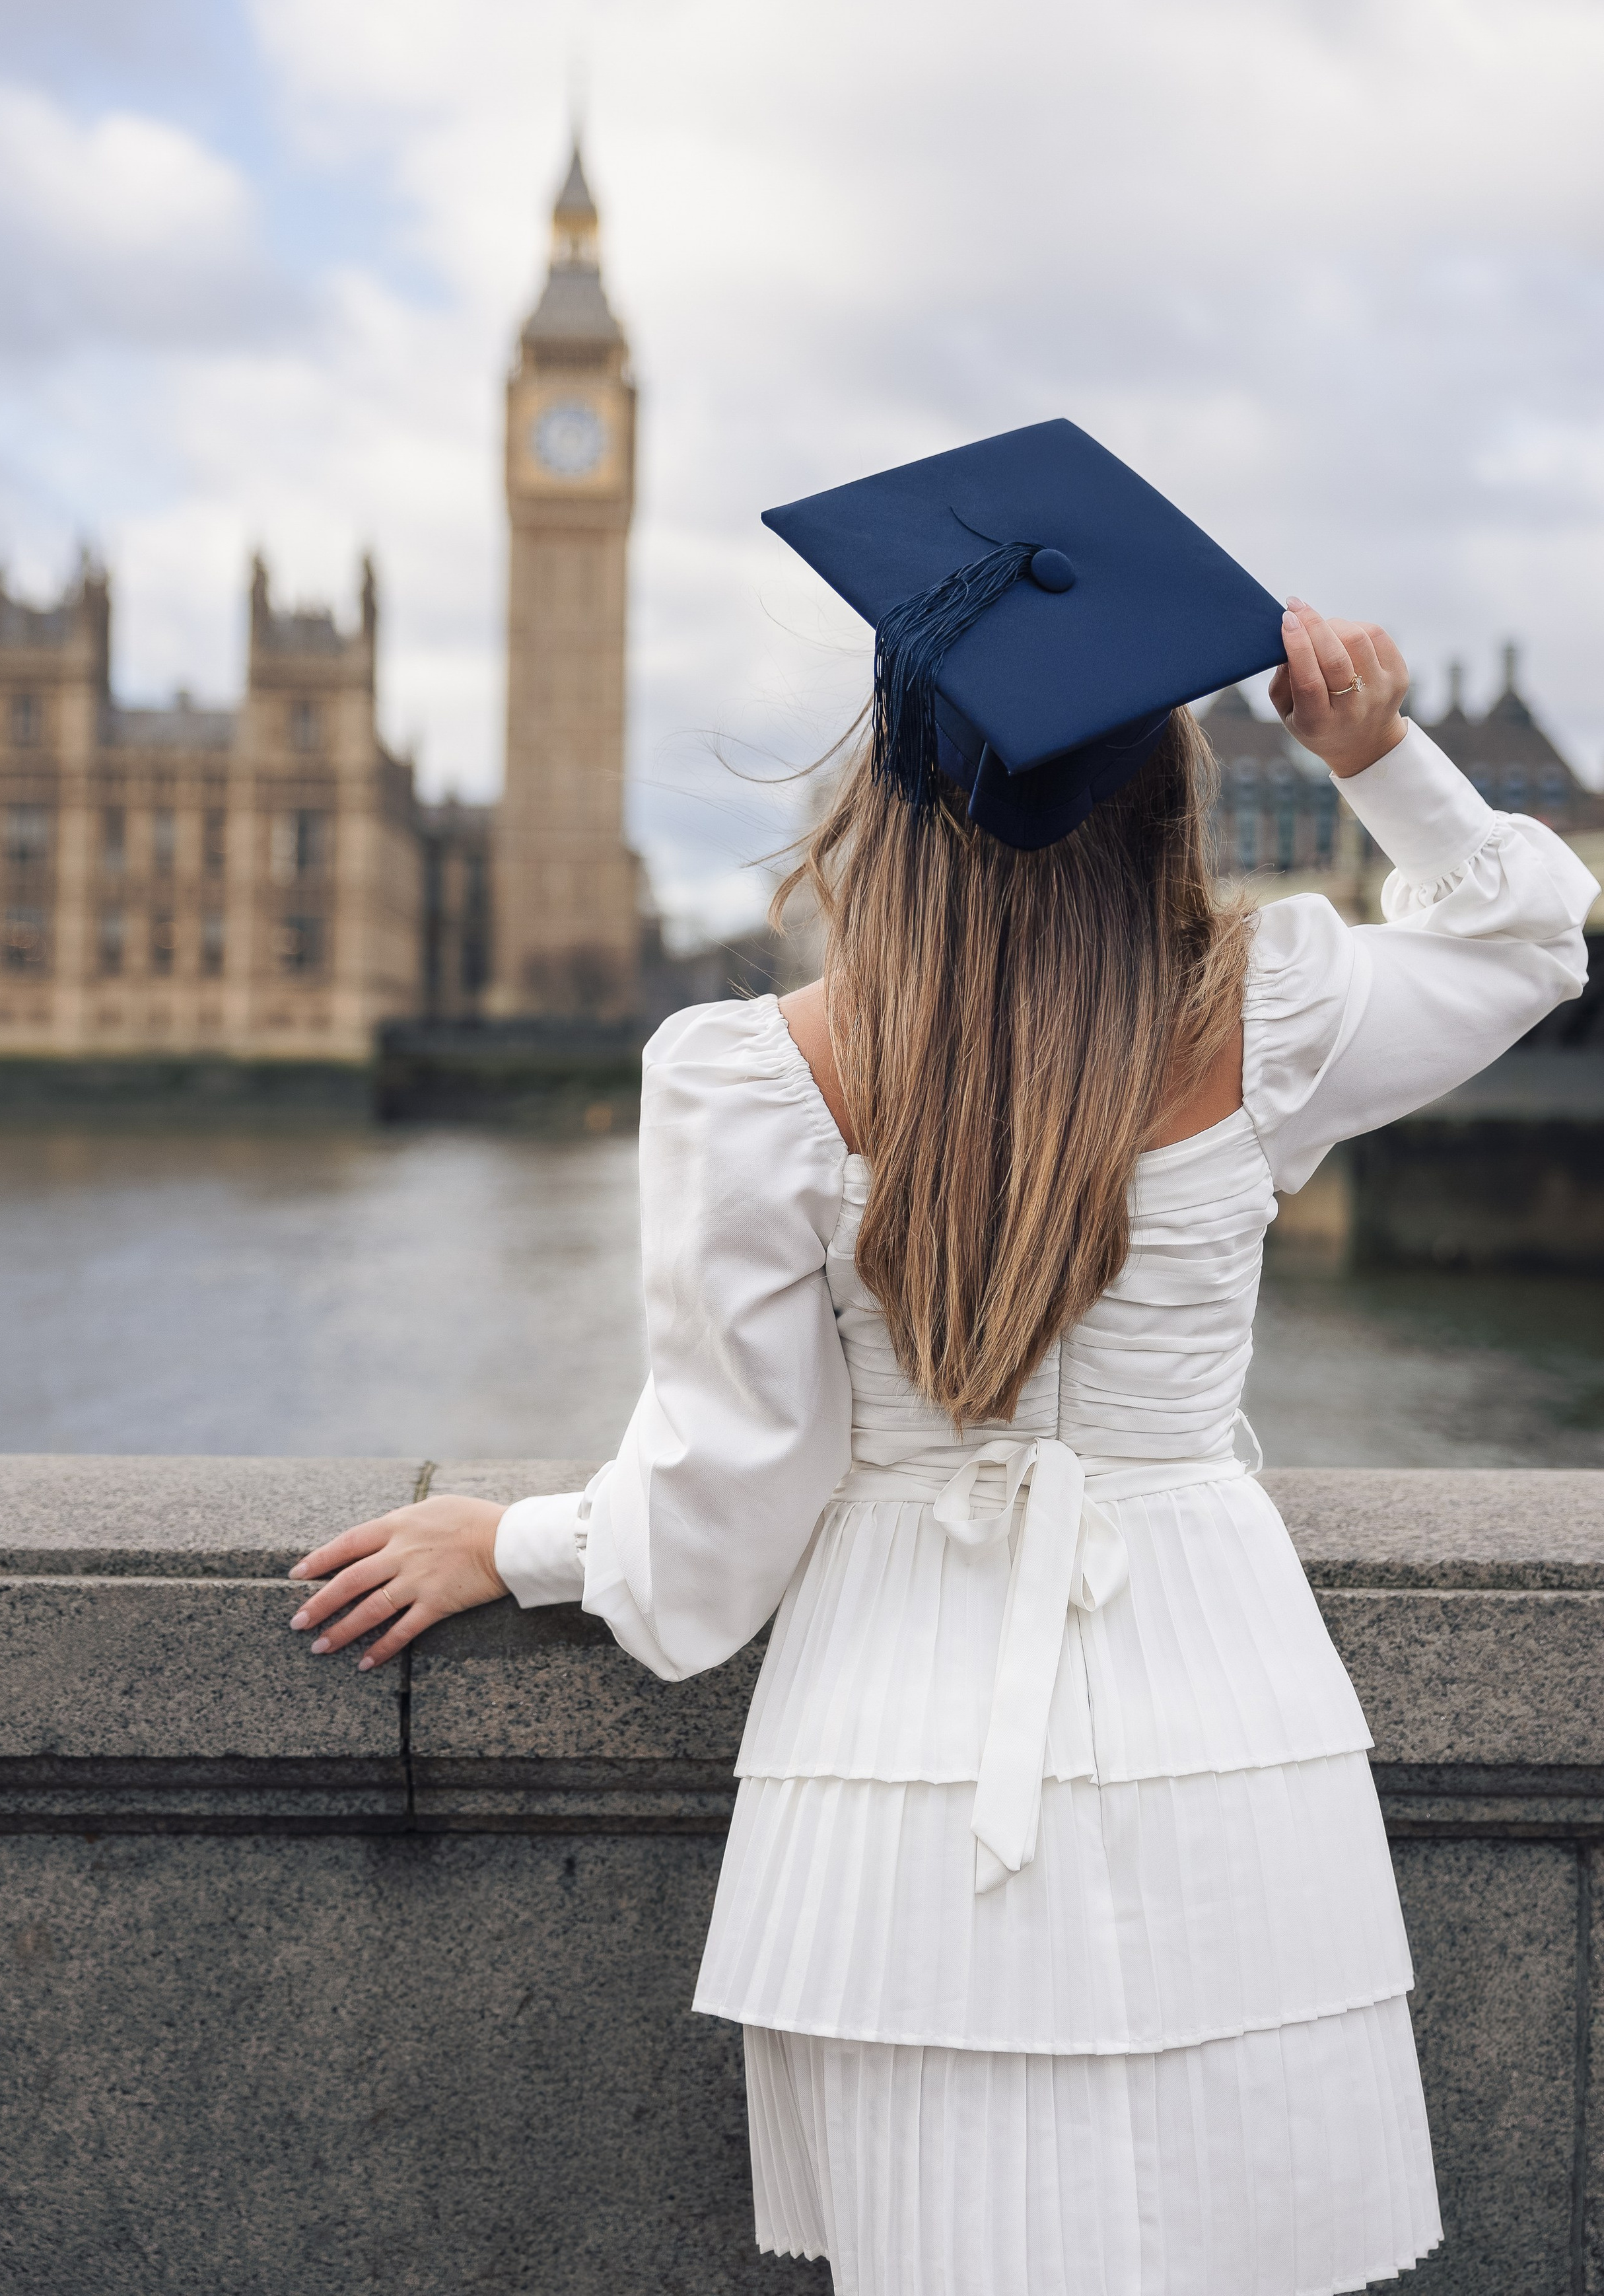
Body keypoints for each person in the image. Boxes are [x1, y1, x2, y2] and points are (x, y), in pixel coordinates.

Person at [286, 421, 1598, 2295]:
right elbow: (1531, 937)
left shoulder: (752, 1080)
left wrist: (522, 1542)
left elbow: (728, 1515)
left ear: (884, 801)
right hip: (1232, 1743)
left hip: (890, 1798)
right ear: (1169, 792)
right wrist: (1379, 751)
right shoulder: (1276, 1010)